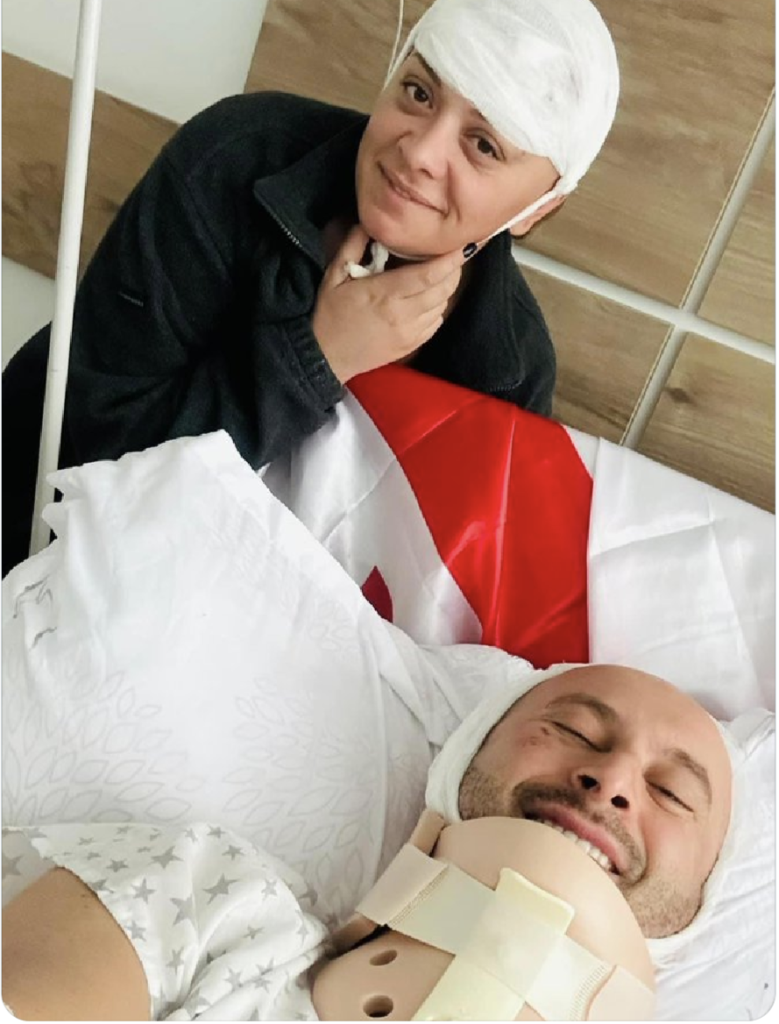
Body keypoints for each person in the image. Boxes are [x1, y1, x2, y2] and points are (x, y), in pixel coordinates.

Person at [2, 0, 620, 575]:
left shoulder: (510, 369)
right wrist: (316, 356)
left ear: (540, 207)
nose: (421, 152)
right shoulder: (235, 160)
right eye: (418, 92)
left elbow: (428, 600)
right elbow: (89, 461)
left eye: (483, 144)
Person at [2, 664, 733, 1020]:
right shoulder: (207, 898)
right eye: (573, 730)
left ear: (695, 909)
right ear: (463, 761)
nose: (609, 782)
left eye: (671, 793)